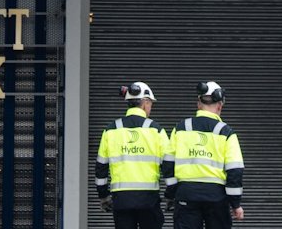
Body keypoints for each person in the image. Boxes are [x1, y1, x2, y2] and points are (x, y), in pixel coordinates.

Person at [162, 81, 245, 228]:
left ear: (198, 103)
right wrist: (235, 204)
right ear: (220, 105)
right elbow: (235, 171)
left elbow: (168, 164)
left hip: (186, 194)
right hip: (216, 196)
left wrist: (172, 193)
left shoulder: (181, 128)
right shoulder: (226, 132)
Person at [96, 81, 170, 229]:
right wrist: (170, 194)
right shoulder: (156, 130)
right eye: (150, 104)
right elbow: (169, 165)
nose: (150, 108)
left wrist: (103, 196)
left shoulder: (110, 131)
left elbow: (101, 168)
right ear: (145, 103)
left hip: (121, 200)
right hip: (149, 200)